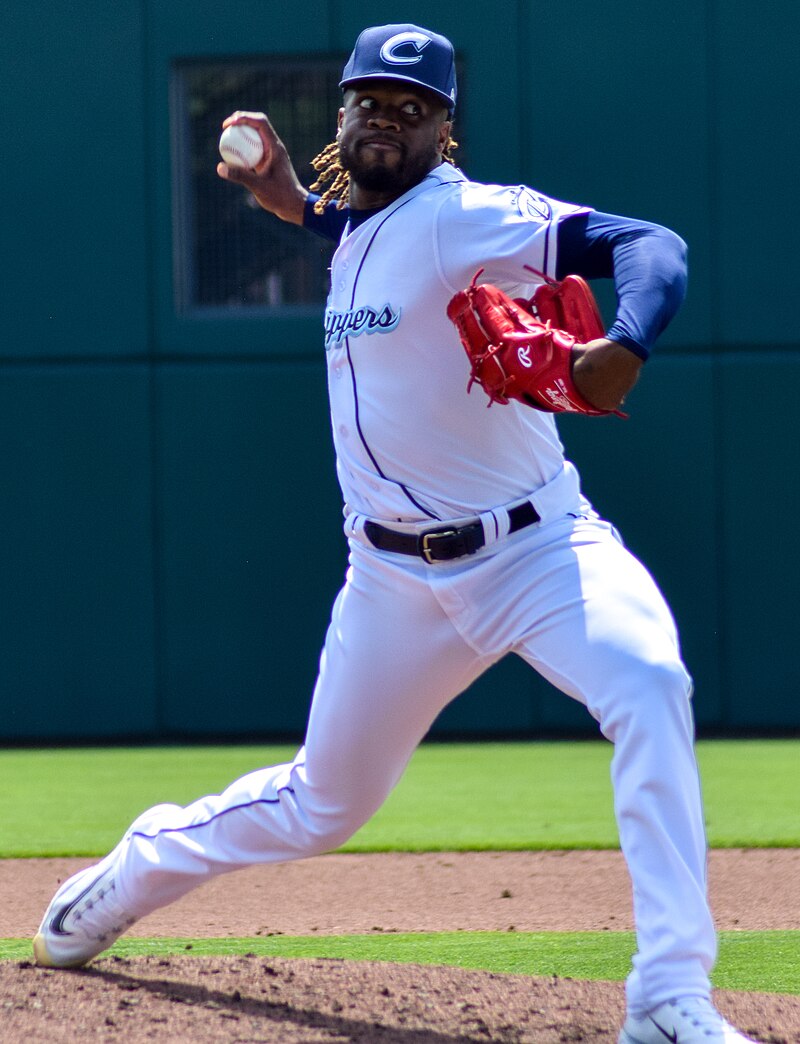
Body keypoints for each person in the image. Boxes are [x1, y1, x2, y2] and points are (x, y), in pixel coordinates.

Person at [34, 23, 754, 1044]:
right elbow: (355, 233)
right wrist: (289, 202)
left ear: (441, 131)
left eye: (411, 109)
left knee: (647, 683)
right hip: (388, 582)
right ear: (340, 115)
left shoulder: (471, 216)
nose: (386, 119)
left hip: (538, 550)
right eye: (369, 101)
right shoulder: (361, 230)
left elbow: (650, 246)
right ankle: (134, 869)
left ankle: (668, 996)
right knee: (320, 806)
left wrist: (623, 343)